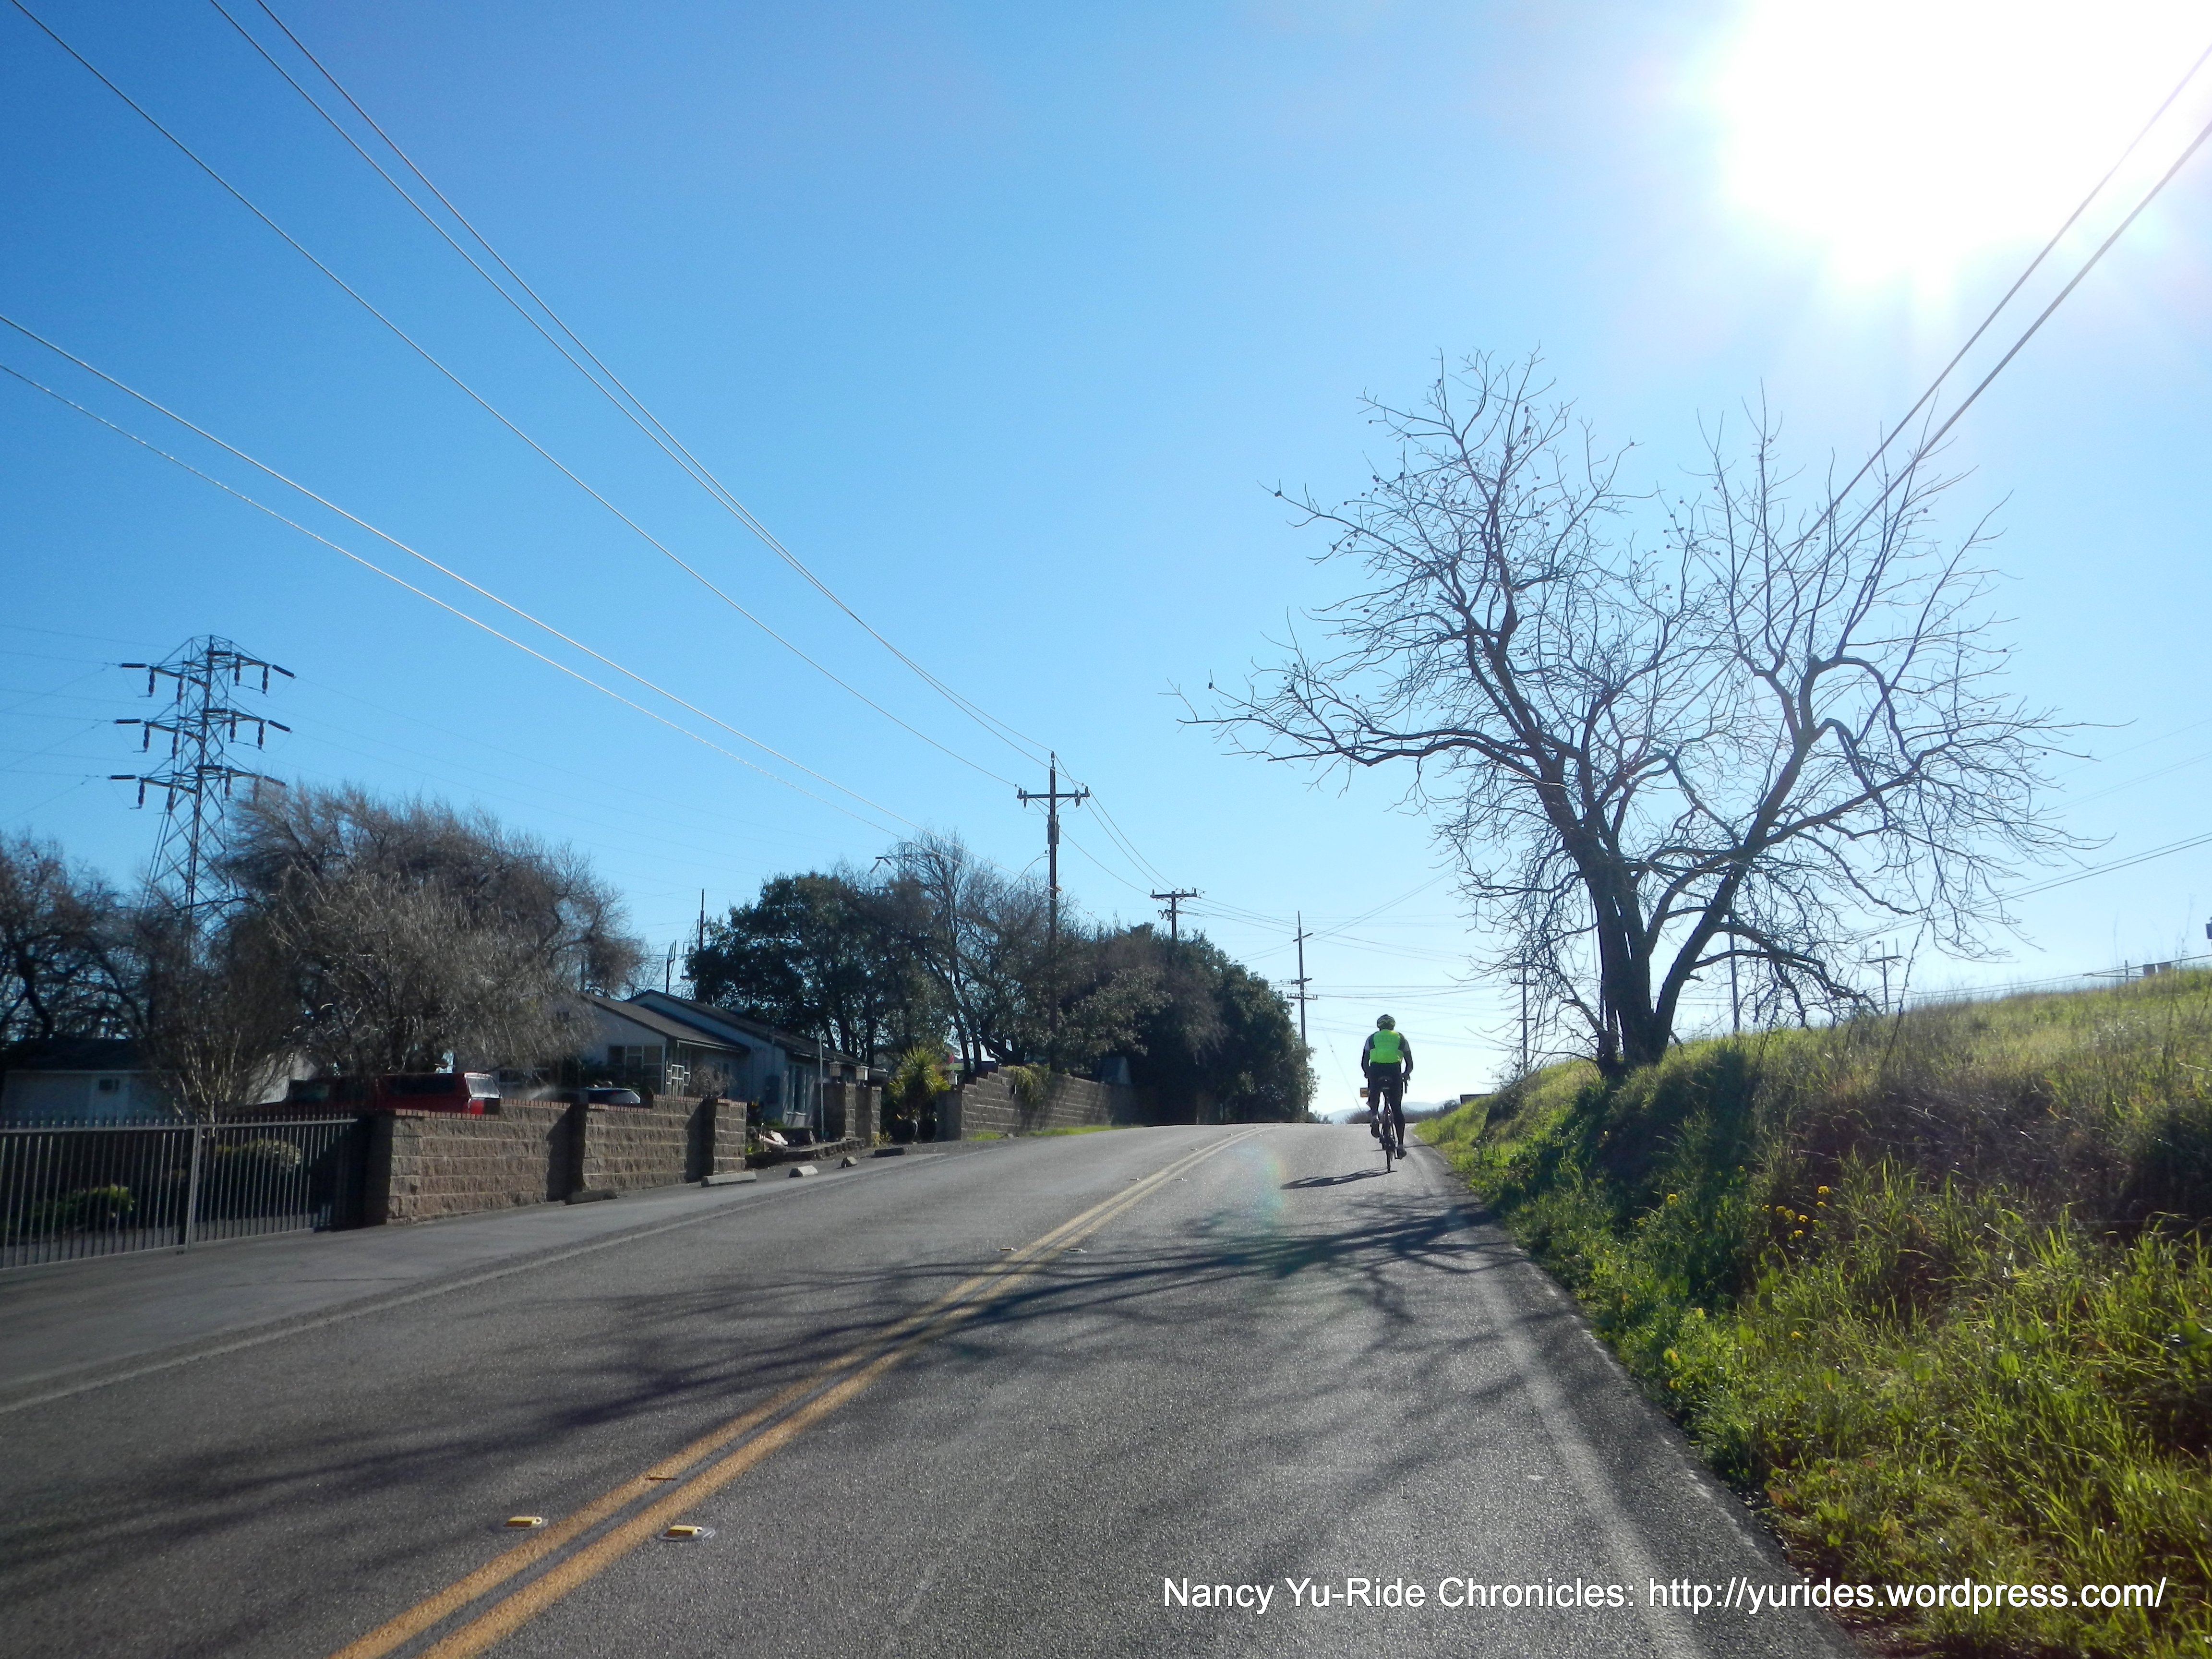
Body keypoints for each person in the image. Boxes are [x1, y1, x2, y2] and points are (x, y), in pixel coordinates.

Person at [1361, 1015, 1412, 1157]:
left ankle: (1374, 1115)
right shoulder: (1401, 1038)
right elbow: (1410, 1064)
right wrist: (1405, 1074)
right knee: (1397, 1108)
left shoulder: (1372, 1038)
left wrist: (1368, 1073)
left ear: (1379, 1026)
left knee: (1374, 1093)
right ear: (1393, 1026)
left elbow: (1364, 1062)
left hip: (1376, 1072)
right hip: (1394, 1073)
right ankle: (1400, 1145)